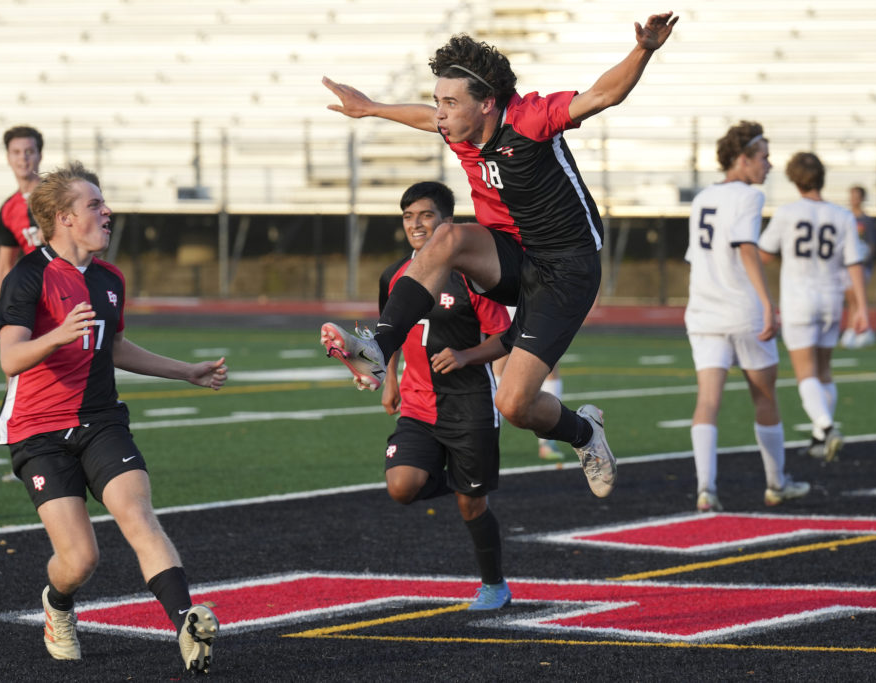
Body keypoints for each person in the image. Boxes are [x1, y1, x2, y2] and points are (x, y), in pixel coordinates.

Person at [319, 12, 679, 499]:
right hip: (512, 254)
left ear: (487, 103)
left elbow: (602, 95)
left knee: (514, 404)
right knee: (445, 238)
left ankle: (584, 433)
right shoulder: (459, 128)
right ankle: (379, 348)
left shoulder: (530, 118)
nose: (440, 114)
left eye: (450, 102)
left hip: (566, 270)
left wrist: (645, 49)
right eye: (438, 101)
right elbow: (426, 119)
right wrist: (372, 108)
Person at [0, 162, 224, 673]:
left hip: (100, 419)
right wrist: (56, 335)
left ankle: (186, 623)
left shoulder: (109, 279)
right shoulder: (28, 276)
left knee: (137, 514)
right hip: (38, 430)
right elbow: (10, 359)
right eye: (94, 205)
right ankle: (57, 605)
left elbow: (115, 346)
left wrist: (185, 371)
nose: (107, 211)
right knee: (80, 560)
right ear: (63, 218)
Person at [380, 181, 513, 609]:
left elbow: (505, 337)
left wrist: (466, 355)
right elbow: (392, 330)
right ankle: (454, 477)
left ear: (447, 222)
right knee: (401, 487)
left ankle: (495, 585)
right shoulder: (394, 275)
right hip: (418, 404)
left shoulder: (472, 275)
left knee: (472, 505)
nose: (416, 224)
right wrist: (389, 378)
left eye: (426, 215)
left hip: (469, 405)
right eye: (408, 216)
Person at [684, 121, 810, 513]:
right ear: (742, 159)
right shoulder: (749, 198)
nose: (769, 166)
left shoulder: (703, 196)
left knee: (707, 401)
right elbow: (746, 248)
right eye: (764, 157)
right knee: (765, 396)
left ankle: (706, 489)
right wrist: (767, 302)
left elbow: (695, 259)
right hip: (742, 311)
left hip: (703, 311)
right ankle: (776, 483)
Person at [759, 153, 871, 462]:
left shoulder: (788, 213)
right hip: (831, 300)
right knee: (823, 371)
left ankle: (826, 426)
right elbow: (854, 264)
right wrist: (861, 308)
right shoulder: (843, 215)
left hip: (798, 300)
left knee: (805, 372)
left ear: (795, 179)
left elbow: (762, 255)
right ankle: (820, 437)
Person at [0, 125, 45, 346]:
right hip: (32, 294)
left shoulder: (58, 196)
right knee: (15, 362)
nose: (23, 158)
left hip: (66, 291)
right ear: (8, 157)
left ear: (39, 155)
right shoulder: (8, 208)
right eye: (16, 152)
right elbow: (5, 267)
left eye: (29, 151)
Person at [841, 185, 876, 348]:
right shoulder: (845, 217)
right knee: (851, 298)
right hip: (846, 265)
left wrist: (863, 260)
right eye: (851, 196)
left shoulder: (867, 221)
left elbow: (872, 244)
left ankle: (855, 330)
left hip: (861, 265)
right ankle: (856, 329)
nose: (853, 199)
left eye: (856, 196)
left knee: (857, 297)